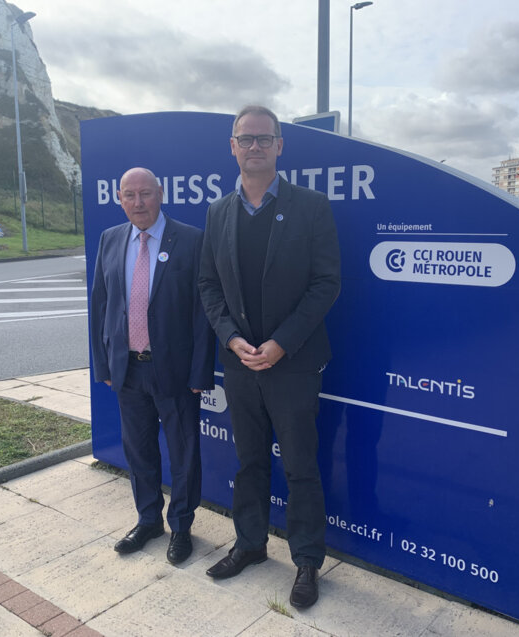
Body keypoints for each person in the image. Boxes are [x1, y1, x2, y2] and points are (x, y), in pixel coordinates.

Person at [198, 106, 341, 608]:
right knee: (250, 462)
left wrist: (282, 342)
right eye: (246, 139)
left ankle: (307, 561)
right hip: (240, 364)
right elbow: (208, 285)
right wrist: (231, 338)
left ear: (280, 145)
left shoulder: (312, 207)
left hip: (293, 363)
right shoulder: (218, 212)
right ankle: (250, 545)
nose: (254, 146)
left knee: (300, 466)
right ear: (232, 147)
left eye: (264, 138)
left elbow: (326, 283)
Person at [90, 166, 214, 565]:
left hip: (174, 371)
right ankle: (148, 521)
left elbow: (203, 313)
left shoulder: (191, 240)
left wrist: (200, 371)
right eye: (130, 195)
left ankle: (181, 527)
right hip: (127, 369)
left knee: (183, 454)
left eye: (145, 193)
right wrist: (102, 364)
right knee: (138, 451)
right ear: (119, 199)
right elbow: (100, 305)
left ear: (161, 194)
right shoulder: (110, 239)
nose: (138, 202)